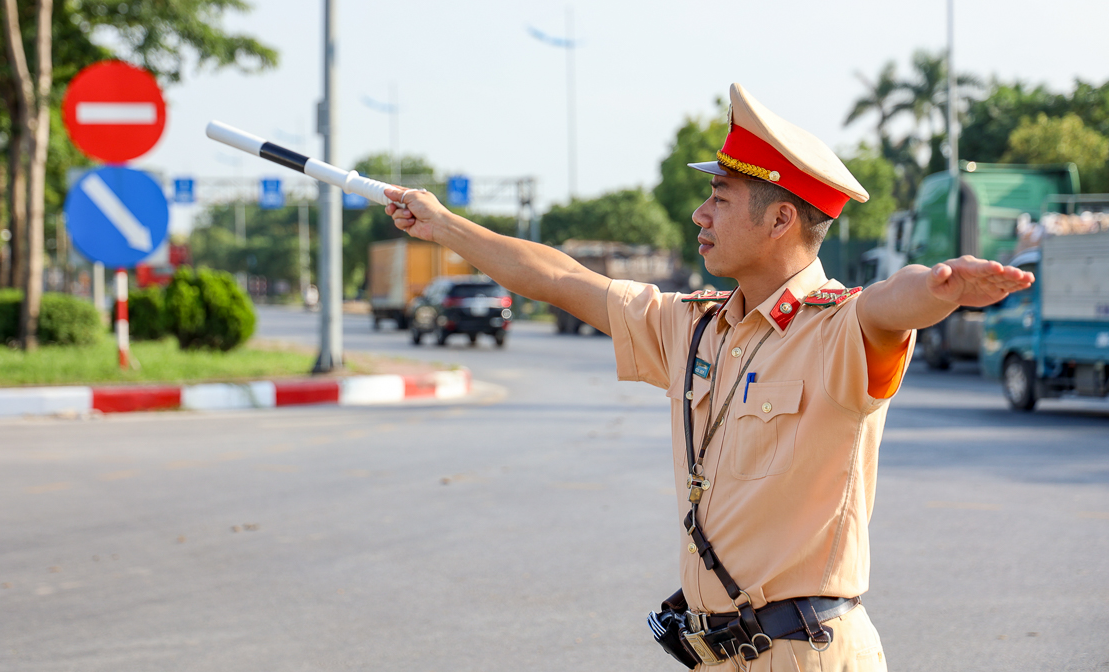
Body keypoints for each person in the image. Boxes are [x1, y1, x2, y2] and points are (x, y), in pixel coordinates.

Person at [382, 83, 1033, 671]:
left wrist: (942, 287)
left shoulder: (836, 329)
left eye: (720, 199)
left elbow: (894, 300)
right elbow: (563, 279)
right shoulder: (693, 326)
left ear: (780, 220)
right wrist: (444, 226)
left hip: (807, 657)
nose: (700, 214)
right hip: (717, 656)